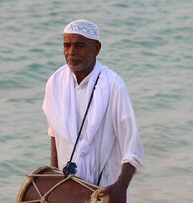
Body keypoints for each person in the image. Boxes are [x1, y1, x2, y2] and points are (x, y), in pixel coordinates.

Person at [42, 19, 144, 203]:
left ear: (96, 49)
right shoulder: (55, 83)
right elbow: (54, 134)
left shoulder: (113, 86)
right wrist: (55, 180)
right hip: (68, 190)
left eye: (79, 45)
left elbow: (133, 147)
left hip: (106, 191)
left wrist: (121, 187)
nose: (71, 53)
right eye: (67, 45)